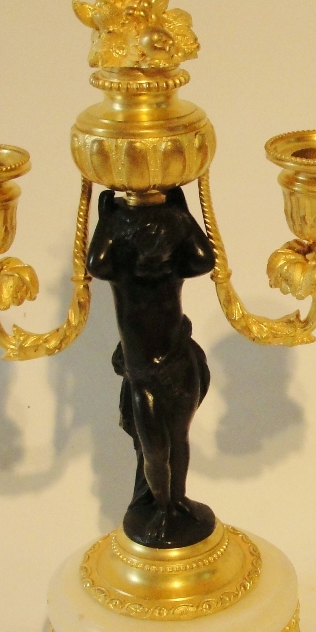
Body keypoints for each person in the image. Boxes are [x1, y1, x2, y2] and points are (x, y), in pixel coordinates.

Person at [87, 186, 217, 547]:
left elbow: (205, 259)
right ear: (130, 250)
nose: (155, 258)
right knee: (155, 449)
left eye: (162, 249)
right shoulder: (123, 277)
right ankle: (161, 506)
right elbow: (95, 263)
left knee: (179, 438)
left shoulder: (173, 272)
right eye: (146, 249)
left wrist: (183, 213)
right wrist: (106, 219)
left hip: (178, 363)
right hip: (143, 373)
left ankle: (176, 501)